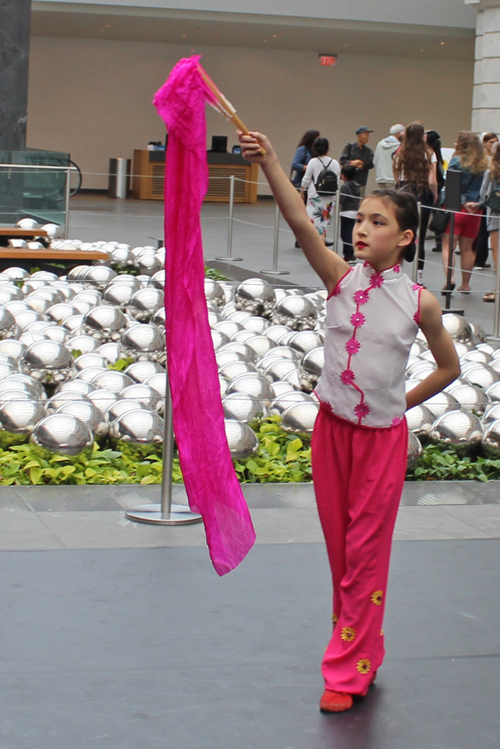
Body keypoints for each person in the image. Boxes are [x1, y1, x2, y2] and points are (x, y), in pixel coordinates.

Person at [238, 128, 460, 714]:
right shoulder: (339, 278)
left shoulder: (420, 303)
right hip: (330, 433)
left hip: (381, 443)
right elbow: (300, 224)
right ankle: (364, 646)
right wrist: (267, 164)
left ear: (406, 237)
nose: (361, 228)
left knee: (365, 553)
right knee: (341, 552)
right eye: (359, 219)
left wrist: (398, 404)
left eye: (378, 222)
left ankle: (347, 671)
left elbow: (448, 367)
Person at [441, 131, 487, 294]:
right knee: (467, 248)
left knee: (448, 245)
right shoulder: (484, 164)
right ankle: (465, 284)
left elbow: (453, 187)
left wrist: (462, 202)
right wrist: (477, 204)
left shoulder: (456, 161)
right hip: (476, 210)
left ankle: (450, 279)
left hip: (457, 208)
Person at [393, 122, 438, 285]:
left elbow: (397, 179)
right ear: (422, 136)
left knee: (401, 234)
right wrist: (435, 195)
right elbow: (432, 180)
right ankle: (418, 278)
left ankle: (397, 272)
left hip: (403, 193)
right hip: (422, 192)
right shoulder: (429, 153)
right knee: (420, 236)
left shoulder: (400, 154)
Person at [471, 142, 500, 302]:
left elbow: (484, 194)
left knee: (497, 254)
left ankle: (498, 289)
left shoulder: (492, 172)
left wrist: (478, 204)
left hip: (495, 215)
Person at [301, 137, 341, 244]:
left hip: (314, 197)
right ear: (328, 148)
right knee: (323, 225)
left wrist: (301, 192)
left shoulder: (313, 162)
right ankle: (322, 247)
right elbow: (337, 182)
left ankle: (318, 250)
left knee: (313, 224)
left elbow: (306, 180)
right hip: (329, 198)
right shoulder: (335, 163)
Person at [473, 132, 498, 268]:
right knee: (484, 232)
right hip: (490, 206)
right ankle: (482, 260)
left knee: (491, 237)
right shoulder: (482, 160)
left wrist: (482, 201)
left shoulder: (491, 170)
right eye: (490, 141)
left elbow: (485, 191)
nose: (492, 144)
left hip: (492, 207)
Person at [425, 130, 446, 253]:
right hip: (436, 187)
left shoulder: (429, 155)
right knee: (437, 212)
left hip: (428, 188)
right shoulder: (436, 156)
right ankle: (439, 240)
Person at [339, 127, 374, 197]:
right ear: (359, 135)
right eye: (366, 135)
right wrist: (352, 163)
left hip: (361, 180)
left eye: (368, 136)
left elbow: (372, 163)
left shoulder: (368, 151)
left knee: (359, 200)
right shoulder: (349, 147)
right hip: (348, 180)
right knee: (347, 199)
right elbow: (342, 160)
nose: (367, 138)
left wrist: (363, 166)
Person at [339, 164, 361, 261]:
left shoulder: (344, 186)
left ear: (344, 175)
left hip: (346, 212)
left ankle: (348, 254)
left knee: (345, 234)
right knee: (351, 233)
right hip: (355, 211)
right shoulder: (357, 186)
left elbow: (342, 200)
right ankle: (352, 252)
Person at [373, 124, 405, 189]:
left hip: (381, 179)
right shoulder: (399, 146)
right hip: (392, 180)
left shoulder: (380, 144)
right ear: (400, 133)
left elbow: (374, 161)